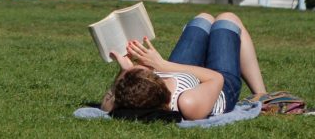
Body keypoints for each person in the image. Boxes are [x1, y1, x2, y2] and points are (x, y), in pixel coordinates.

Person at [101, 12, 266, 121]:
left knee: (203, 19)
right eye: (144, 68)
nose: (141, 64)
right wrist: (162, 64)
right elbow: (216, 78)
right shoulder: (187, 103)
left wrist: (124, 70)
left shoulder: (135, 96)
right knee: (228, 20)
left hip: (178, 74)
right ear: (158, 80)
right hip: (219, 87)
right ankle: (262, 93)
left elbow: (106, 104)